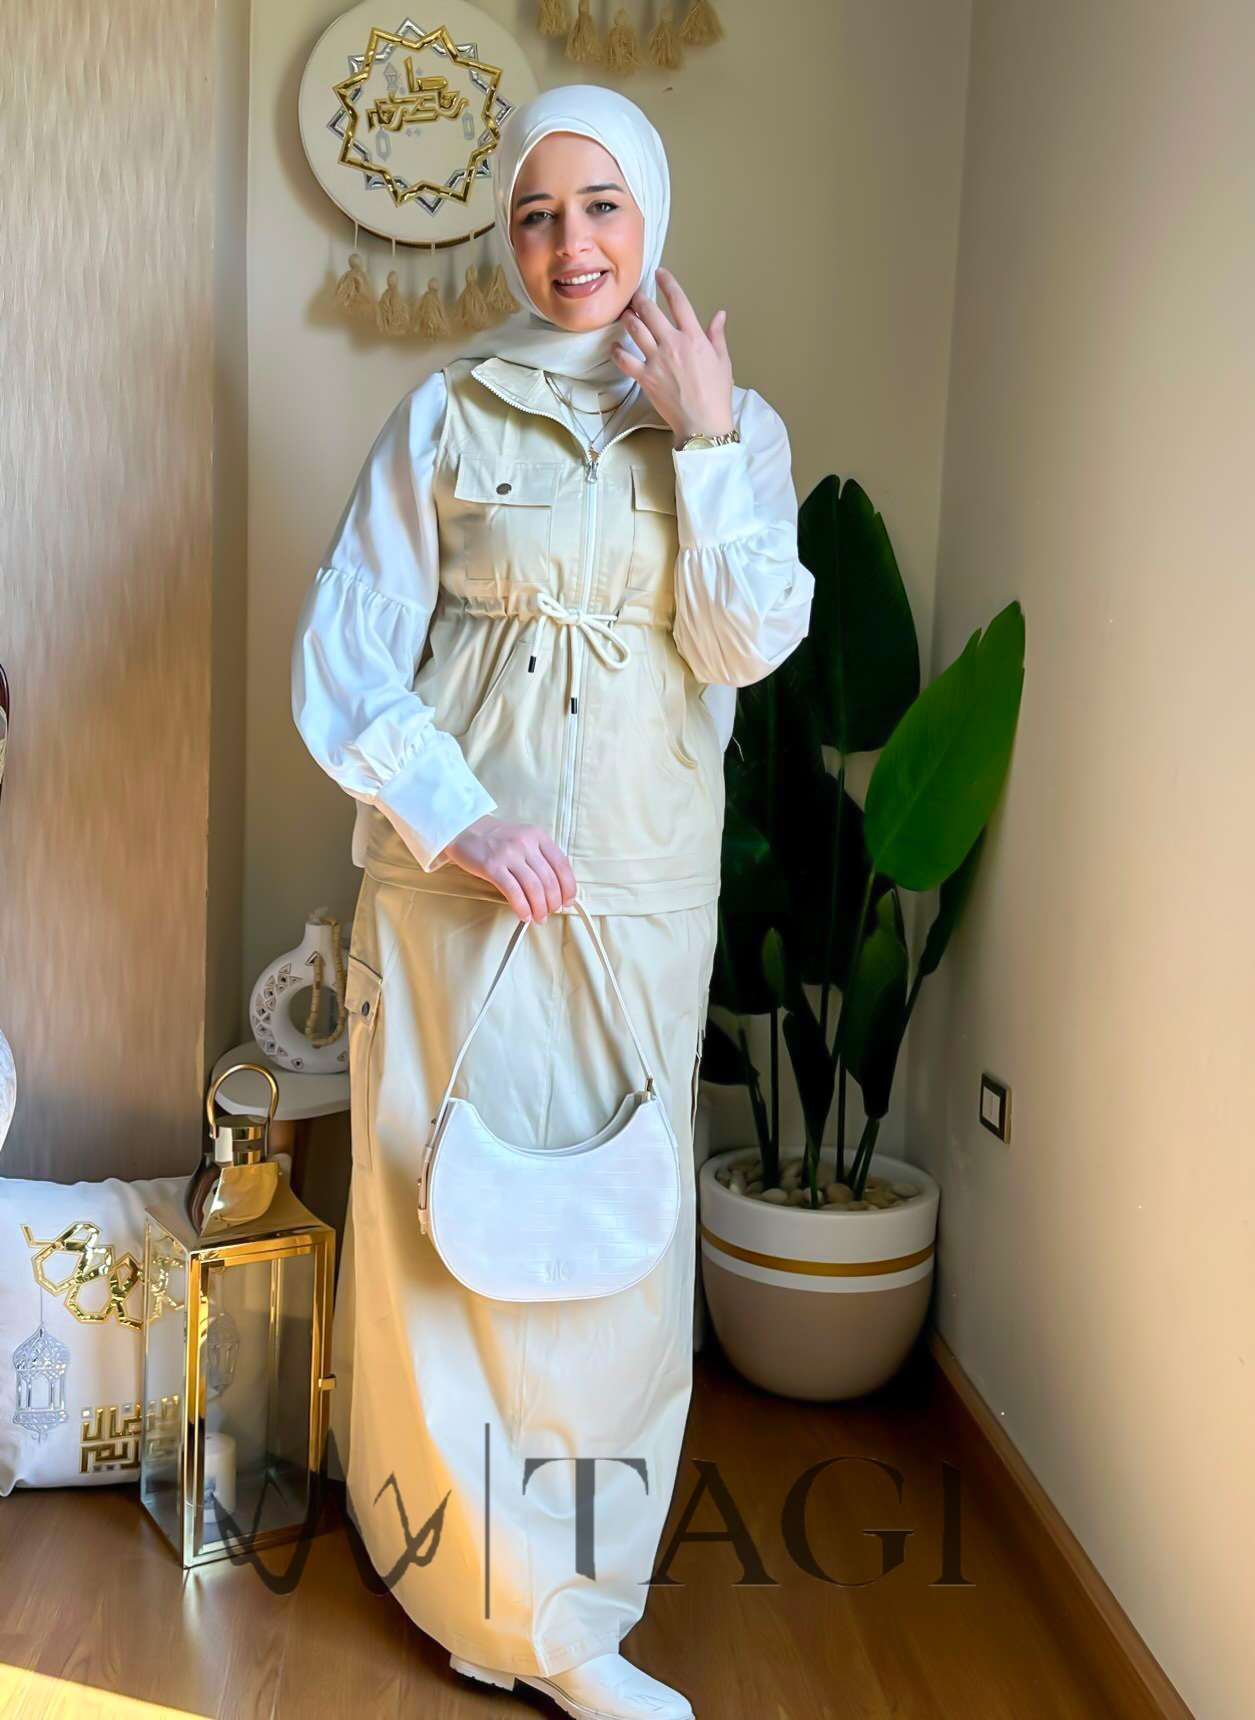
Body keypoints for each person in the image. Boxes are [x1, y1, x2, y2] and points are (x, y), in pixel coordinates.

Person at [290, 83, 814, 1720]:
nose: (568, 243)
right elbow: (347, 654)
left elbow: (744, 642)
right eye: (534, 213)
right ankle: (454, 1578)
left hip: (635, 898)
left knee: (605, 1252)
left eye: (598, 207)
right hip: (450, 896)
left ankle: (571, 1612)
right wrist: (460, 824)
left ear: (647, 216)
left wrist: (705, 438)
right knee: (437, 1231)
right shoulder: (446, 415)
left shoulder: (732, 425)